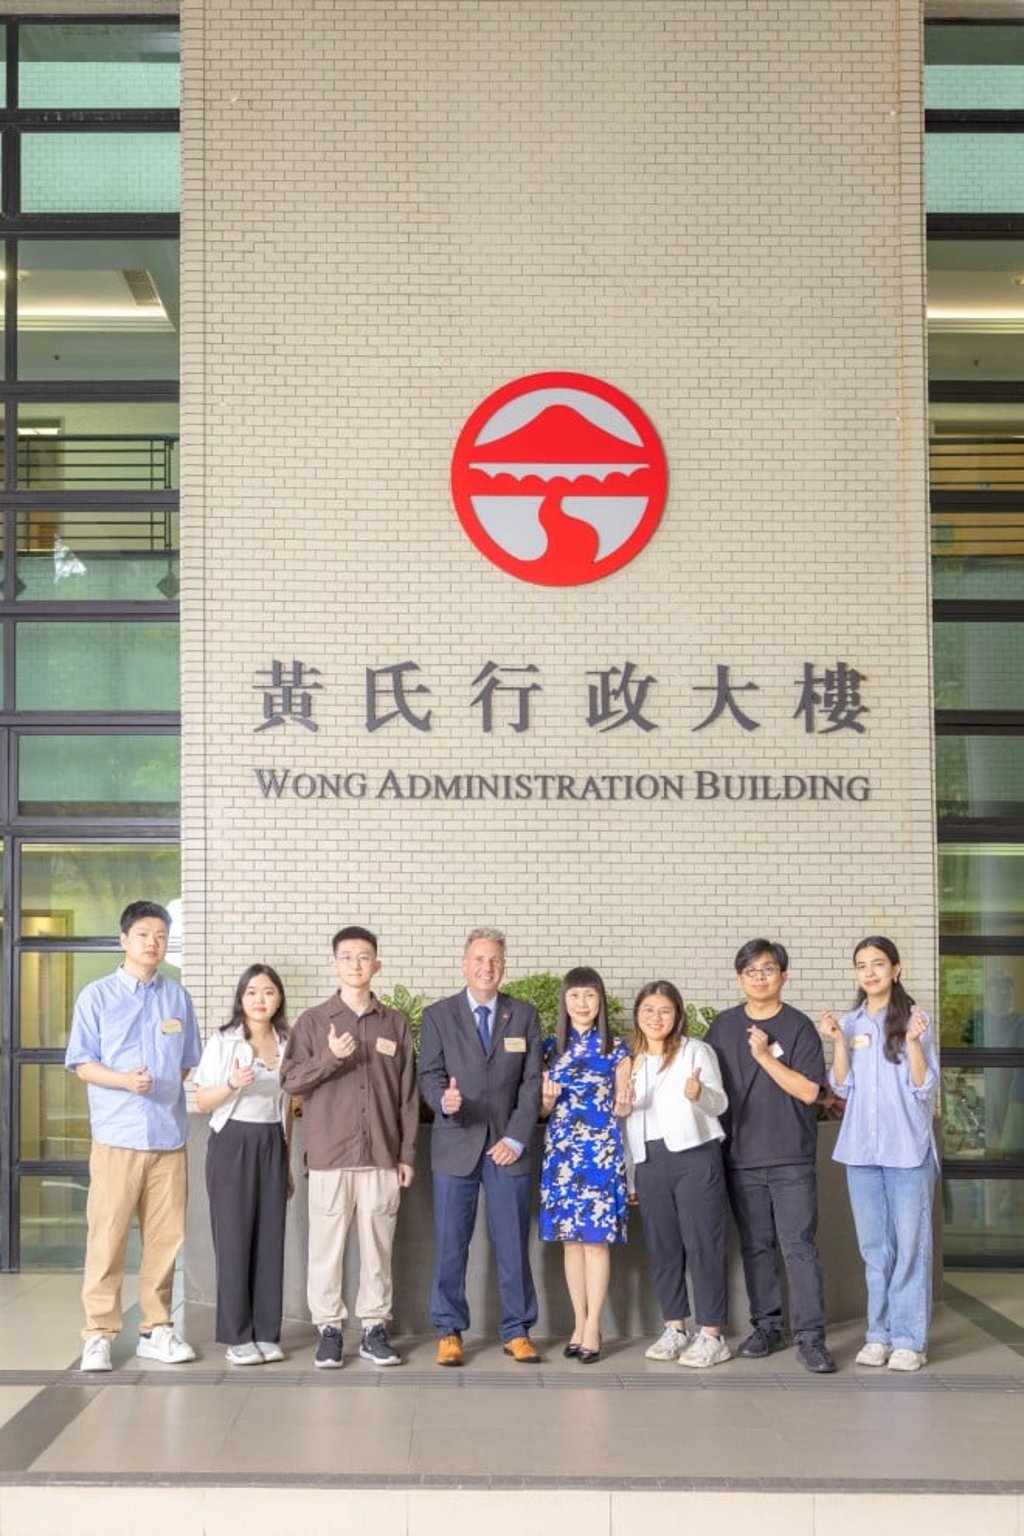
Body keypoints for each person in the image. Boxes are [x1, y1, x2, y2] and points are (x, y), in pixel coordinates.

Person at [65, 900, 201, 1372]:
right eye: (144, 934)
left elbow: (187, 1059)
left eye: (161, 935)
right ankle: (99, 1333)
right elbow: (82, 1063)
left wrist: (160, 1085)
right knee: (108, 1237)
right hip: (117, 1138)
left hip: (168, 1138)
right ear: (124, 940)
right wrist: (124, 1081)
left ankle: (156, 1328)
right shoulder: (97, 996)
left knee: (166, 1239)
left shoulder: (177, 998)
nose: (153, 943)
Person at [278, 926, 418, 1368]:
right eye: (347, 957)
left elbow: (408, 1095)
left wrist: (407, 1154)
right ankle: (329, 1330)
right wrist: (331, 1057)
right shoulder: (314, 1022)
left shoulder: (394, 1023)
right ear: (335, 963)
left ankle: (375, 1327)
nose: (356, 964)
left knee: (378, 1248)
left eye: (364, 957)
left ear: (377, 965)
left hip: (381, 1155)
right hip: (329, 1156)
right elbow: (290, 1080)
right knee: (326, 1247)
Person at [705, 939, 836, 1374]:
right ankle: (766, 1327)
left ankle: (812, 1338)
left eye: (767, 969)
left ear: (783, 975)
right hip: (740, 1157)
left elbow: (810, 1092)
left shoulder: (798, 1027)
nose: (759, 977)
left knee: (799, 1247)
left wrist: (763, 1056)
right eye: (750, 971)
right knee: (756, 1248)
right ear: (739, 977)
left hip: (791, 1159)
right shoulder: (722, 1028)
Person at [417, 927, 542, 1365]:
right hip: (456, 1145)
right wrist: (442, 1101)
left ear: (503, 967)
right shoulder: (438, 1016)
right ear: (464, 963)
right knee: (451, 1243)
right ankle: (449, 1330)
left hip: (508, 1148)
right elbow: (429, 1074)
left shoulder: (523, 1016)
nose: (487, 968)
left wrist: (515, 1137)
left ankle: (517, 1329)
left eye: (495, 961)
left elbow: (531, 1085)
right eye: (479, 959)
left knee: (513, 1243)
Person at [821, 936, 939, 1373]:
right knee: (875, 1249)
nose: (868, 972)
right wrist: (836, 1040)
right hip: (861, 1152)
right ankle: (879, 1334)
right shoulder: (850, 1023)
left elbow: (924, 1086)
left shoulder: (916, 1020)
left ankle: (910, 1339)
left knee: (910, 1247)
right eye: (861, 965)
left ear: (896, 969)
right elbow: (840, 1088)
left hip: (907, 1150)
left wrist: (911, 1042)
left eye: (877, 964)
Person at [620, 981, 731, 1368]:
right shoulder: (629, 1059)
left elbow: (719, 1104)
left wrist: (698, 1093)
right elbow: (627, 1123)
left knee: (703, 1245)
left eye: (664, 1010)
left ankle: (713, 1334)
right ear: (638, 1014)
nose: (656, 1017)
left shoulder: (695, 1051)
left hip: (695, 1157)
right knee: (664, 1248)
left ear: (677, 1014)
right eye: (648, 1010)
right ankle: (675, 1328)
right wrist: (633, 1176)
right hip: (650, 1161)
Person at [193, 964, 293, 1364]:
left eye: (268, 992)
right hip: (232, 1139)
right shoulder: (223, 1041)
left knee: (270, 1238)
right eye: (252, 992)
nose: (260, 999)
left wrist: (285, 1160)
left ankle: (267, 1332)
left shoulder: (289, 1041)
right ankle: (237, 1335)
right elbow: (202, 1101)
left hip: (272, 1140)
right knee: (234, 1238)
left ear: (279, 998)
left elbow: (288, 1106)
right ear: (241, 997)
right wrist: (233, 1083)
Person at [539, 967, 631, 1363]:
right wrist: (544, 1099)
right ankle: (578, 1321)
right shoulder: (548, 1049)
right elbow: (543, 1110)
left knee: (595, 1242)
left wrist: (625, 1101)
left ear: (601, 1002)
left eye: (590, 996)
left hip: (601, 1152)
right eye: (575, 996)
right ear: (564, 1001)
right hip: (561, 1150)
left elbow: (625, 1105)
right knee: (571, 1243)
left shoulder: (619, 1048)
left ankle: (594, 1326)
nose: (582, 1004)